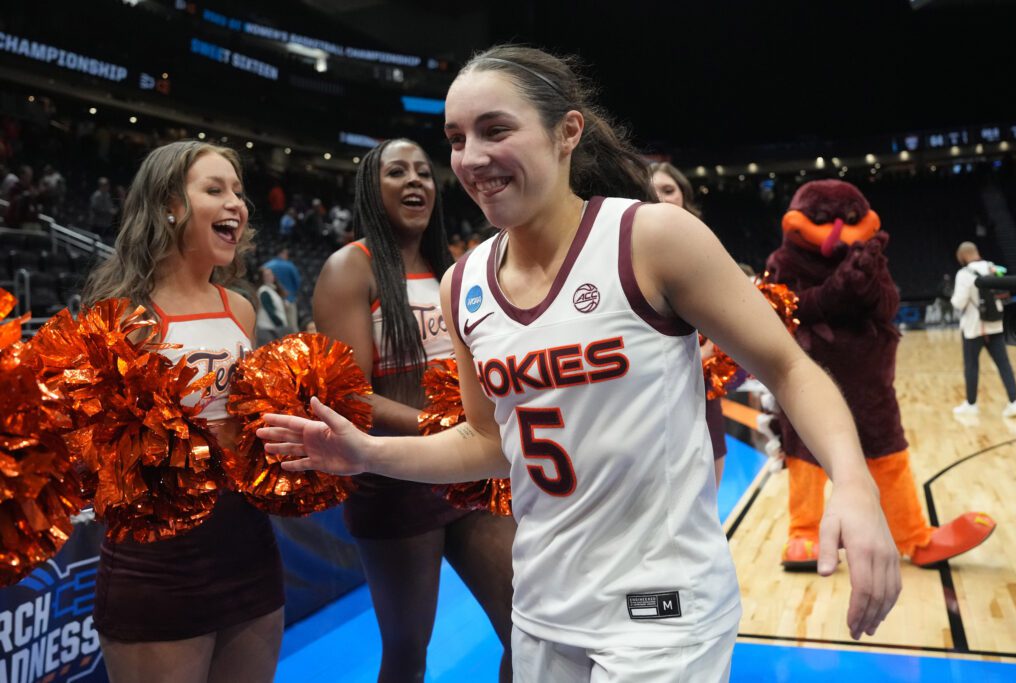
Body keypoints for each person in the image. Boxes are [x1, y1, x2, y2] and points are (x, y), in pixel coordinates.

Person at [261, 46, 900, 681]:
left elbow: (789, 367)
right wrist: (363, 453)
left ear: (568, 132)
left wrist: (854, 482)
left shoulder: (651, 240)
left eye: (495, 129)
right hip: (542, 605)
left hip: (660, 612)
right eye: (456, 138)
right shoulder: (465, 284)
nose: (471, 158)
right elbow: (486, 440)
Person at [312, 138, 514, 682]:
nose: (415, 182)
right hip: (393, 478)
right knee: (407, 650)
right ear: (371, 191)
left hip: (468, 471)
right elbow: (348, 397)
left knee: (528, 625)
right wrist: (443, 429)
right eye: (397, 172)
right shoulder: (348, 270)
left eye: (424, 173)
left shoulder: (454, 268)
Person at [82, 140, 284, 683]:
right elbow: (96, 458)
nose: (236, 204)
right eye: (214, 190)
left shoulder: (239, 306)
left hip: (247, 544)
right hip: (158, 559)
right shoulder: (124, 316)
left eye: (238, 192)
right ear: (169, 204)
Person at [649, 161, 727, 486]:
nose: (663, 199)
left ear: (683, 196)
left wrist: (712, 354)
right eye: (652, 192)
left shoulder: (706, 248)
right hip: (652, 401)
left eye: (669, 190)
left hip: (703, 390)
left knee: (711, 494)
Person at [950, 241, 1016, 417]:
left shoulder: (964, 274)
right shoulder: (994, 268)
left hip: (974, 328)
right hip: (997, 325)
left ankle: (971, 404)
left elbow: (959, 302)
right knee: (1004, 364)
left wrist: (950, 297)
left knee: (971, 366)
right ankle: (1014, 402)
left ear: (963, 256)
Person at [262, 247, 300, 333]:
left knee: (279, 329)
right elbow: (297, 282)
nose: (287, 256)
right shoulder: (290, 265)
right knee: (293, 328)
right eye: (286, 254)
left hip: (275, 301)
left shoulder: (267, 266)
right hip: (289, 300)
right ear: (282, 253)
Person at [256, 266, 287, 347]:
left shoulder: (271, 290)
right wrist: (280, 324)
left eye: (271, 274)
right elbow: (270, 311)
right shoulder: (264, 291)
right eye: (266, 275)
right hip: (267, 329)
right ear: (262, 278)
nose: (270, 277)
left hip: (273, 328)